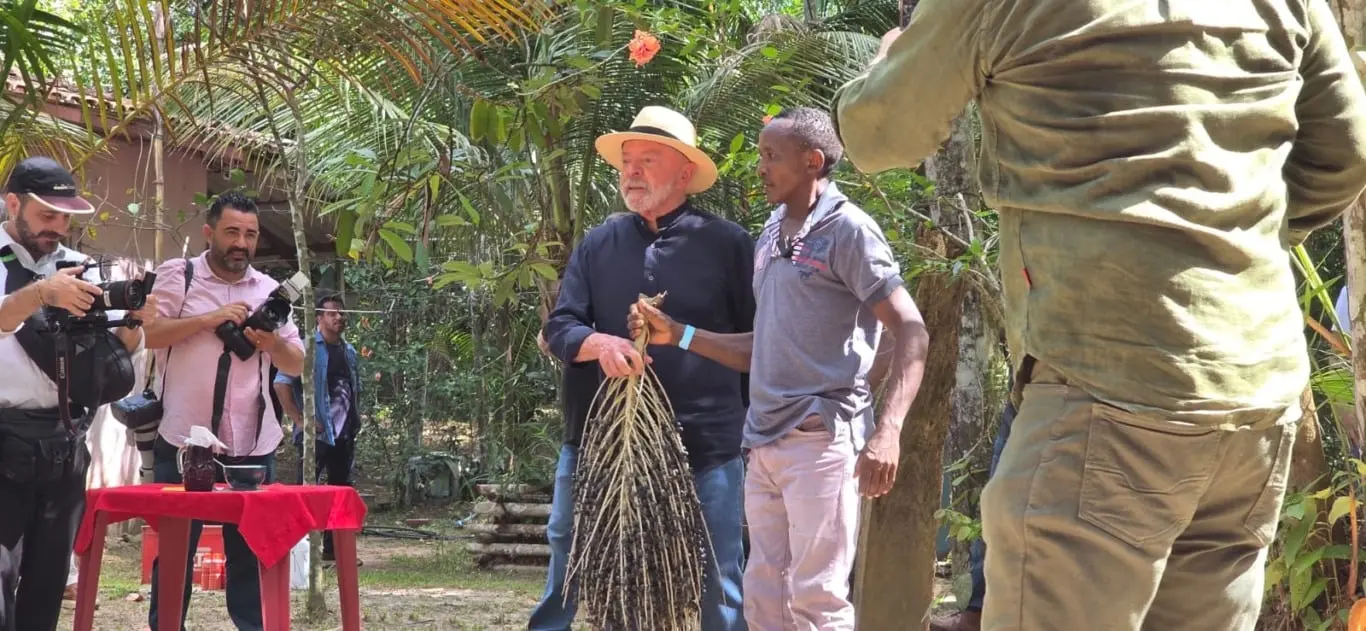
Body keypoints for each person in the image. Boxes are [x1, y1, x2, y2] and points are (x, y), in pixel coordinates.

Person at [831, 0, 1366, 629]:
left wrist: (890, 54)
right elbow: (1348, 151)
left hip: (1106, 393)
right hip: (1254, 397)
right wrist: (1236, 246)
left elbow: (877, 130)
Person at [629, 107, 930, 630]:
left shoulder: (849, 231)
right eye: (761, 154)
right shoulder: (771, 232)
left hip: (820, 441)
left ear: (812, 162)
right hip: (764, 443)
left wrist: (888, 432)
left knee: (818, 601)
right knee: (765, 595)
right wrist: (679, 335)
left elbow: (910, 329)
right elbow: (764, 344)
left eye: (772, 156)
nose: (761, 167)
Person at [534, 105, 755, 631]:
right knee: (569, 551)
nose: (630, 172)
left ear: (684, 172)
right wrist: (599, 345)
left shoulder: (729, 245)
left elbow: (759, 343)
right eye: (626, 161)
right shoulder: (598, 243)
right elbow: (560, 327)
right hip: (598, 440)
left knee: (718, 573)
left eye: (646, 160)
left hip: (707, 442)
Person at [0, 156, 155, 631]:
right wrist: (41, 294)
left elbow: (119, 355)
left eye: (65, 218)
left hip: (66, 443)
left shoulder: (80, 268)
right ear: (12, 205)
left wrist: (133, 335)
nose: (58, 227)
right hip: (2, 442)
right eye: (48, 215)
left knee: (47, 583)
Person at [141, 191, 305, 631]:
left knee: (251, 555)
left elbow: (296, 363)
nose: (242, 242)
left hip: (252, 443)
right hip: (183, 441)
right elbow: (150, 335)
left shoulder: (270, 292)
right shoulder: (181, 275)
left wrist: (272, 345)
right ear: (210, 232)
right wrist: (208, 319)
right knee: (175, 553)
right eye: (232, 231)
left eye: (250, 234)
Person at [274, 292, 363, 565]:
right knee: (305, 491)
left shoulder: (348, 350)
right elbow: (281, 383)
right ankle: (299, 552)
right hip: (317, 434)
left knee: (340, 491)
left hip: (344, 432)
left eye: (341, 312)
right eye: (332, 313)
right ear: (320, 317)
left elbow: (351, 388)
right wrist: (300, 420)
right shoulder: (306, 348)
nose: (339, 317)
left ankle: (333, 551)